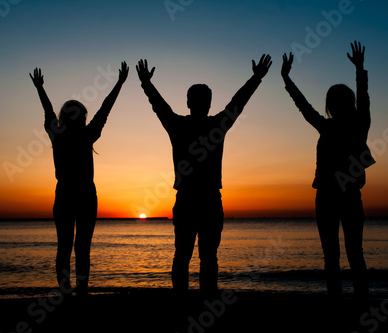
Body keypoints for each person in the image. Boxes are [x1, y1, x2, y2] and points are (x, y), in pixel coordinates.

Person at [136, 55, 272, 296]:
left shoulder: (183, 125)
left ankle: (186, 302)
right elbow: (237, 103)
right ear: (204, 103)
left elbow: (159, 106)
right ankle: (201, 302)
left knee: (188, 255)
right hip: (203, 200)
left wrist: (146, 83)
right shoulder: (214, 126)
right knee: (204, 256)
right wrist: (256, 77)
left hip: (193, 199)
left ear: (189, 102)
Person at [281, 41, 375, 301]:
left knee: (339, 255)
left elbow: (306, 107)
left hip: (335, 197)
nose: (332, 106)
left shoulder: (351, 125)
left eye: (334, 102)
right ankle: (355, 304)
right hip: (335, 197)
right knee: (347, 254)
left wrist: (360, 71)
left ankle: (348, 303)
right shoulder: (343, 126)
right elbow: (305, 107)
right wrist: (287, 79)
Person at [29, 62, 129, 296]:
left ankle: (69, 291)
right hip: (81, 195)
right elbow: (105, 109)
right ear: (82, 117)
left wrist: (40, 88)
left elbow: (49, 111)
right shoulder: (84, 134)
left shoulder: (62, 134)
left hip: (68, 195)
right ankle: (79, 291)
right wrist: (119, 83)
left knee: (67, 246)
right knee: (80, 247)